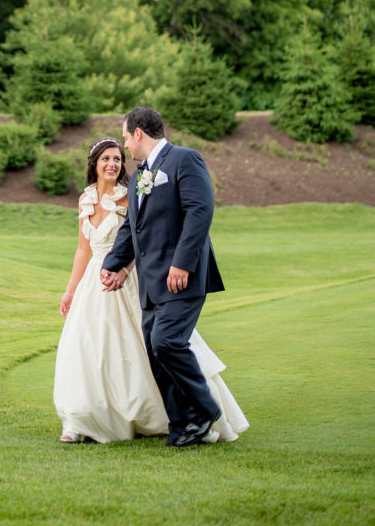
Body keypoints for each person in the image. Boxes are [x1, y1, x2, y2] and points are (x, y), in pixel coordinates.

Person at [54, 134, 248, 445]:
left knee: (149, 348)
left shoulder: (131, 192)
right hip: (95, 280)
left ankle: (176, 413)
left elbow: (138, 240)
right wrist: (71, 289)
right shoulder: (85, 198)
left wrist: (124, 269)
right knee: (88, 349)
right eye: (106, 158)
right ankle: (82, 419)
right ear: (94, 164)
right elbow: (83, 250)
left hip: (128, 278)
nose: (113, 163)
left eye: (118, 158)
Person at [101, 106, 239, 447]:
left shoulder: (184, 160)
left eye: (126, 138)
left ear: (138, 133)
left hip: (182, 277)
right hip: (150, 283)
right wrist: (113, 263)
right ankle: (184, 426)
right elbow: (131, 230)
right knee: (156, 353)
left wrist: (182, 263)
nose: (126, 147)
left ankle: (205, 409)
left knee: (167, 342)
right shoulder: (137, 178)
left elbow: (200, 211)